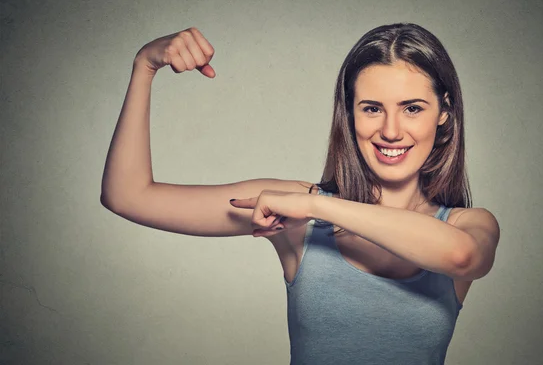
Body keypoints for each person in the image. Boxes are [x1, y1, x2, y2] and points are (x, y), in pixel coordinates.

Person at [101, 23, 500, 364]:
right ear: (350, 113)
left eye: (412, 108)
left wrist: (316, 203)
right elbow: (128, 196)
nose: (391, 130)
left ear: (444, 111)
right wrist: (145, 66)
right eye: (372, 108)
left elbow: (462, 257)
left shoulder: (466, 225)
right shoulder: (300, 221)